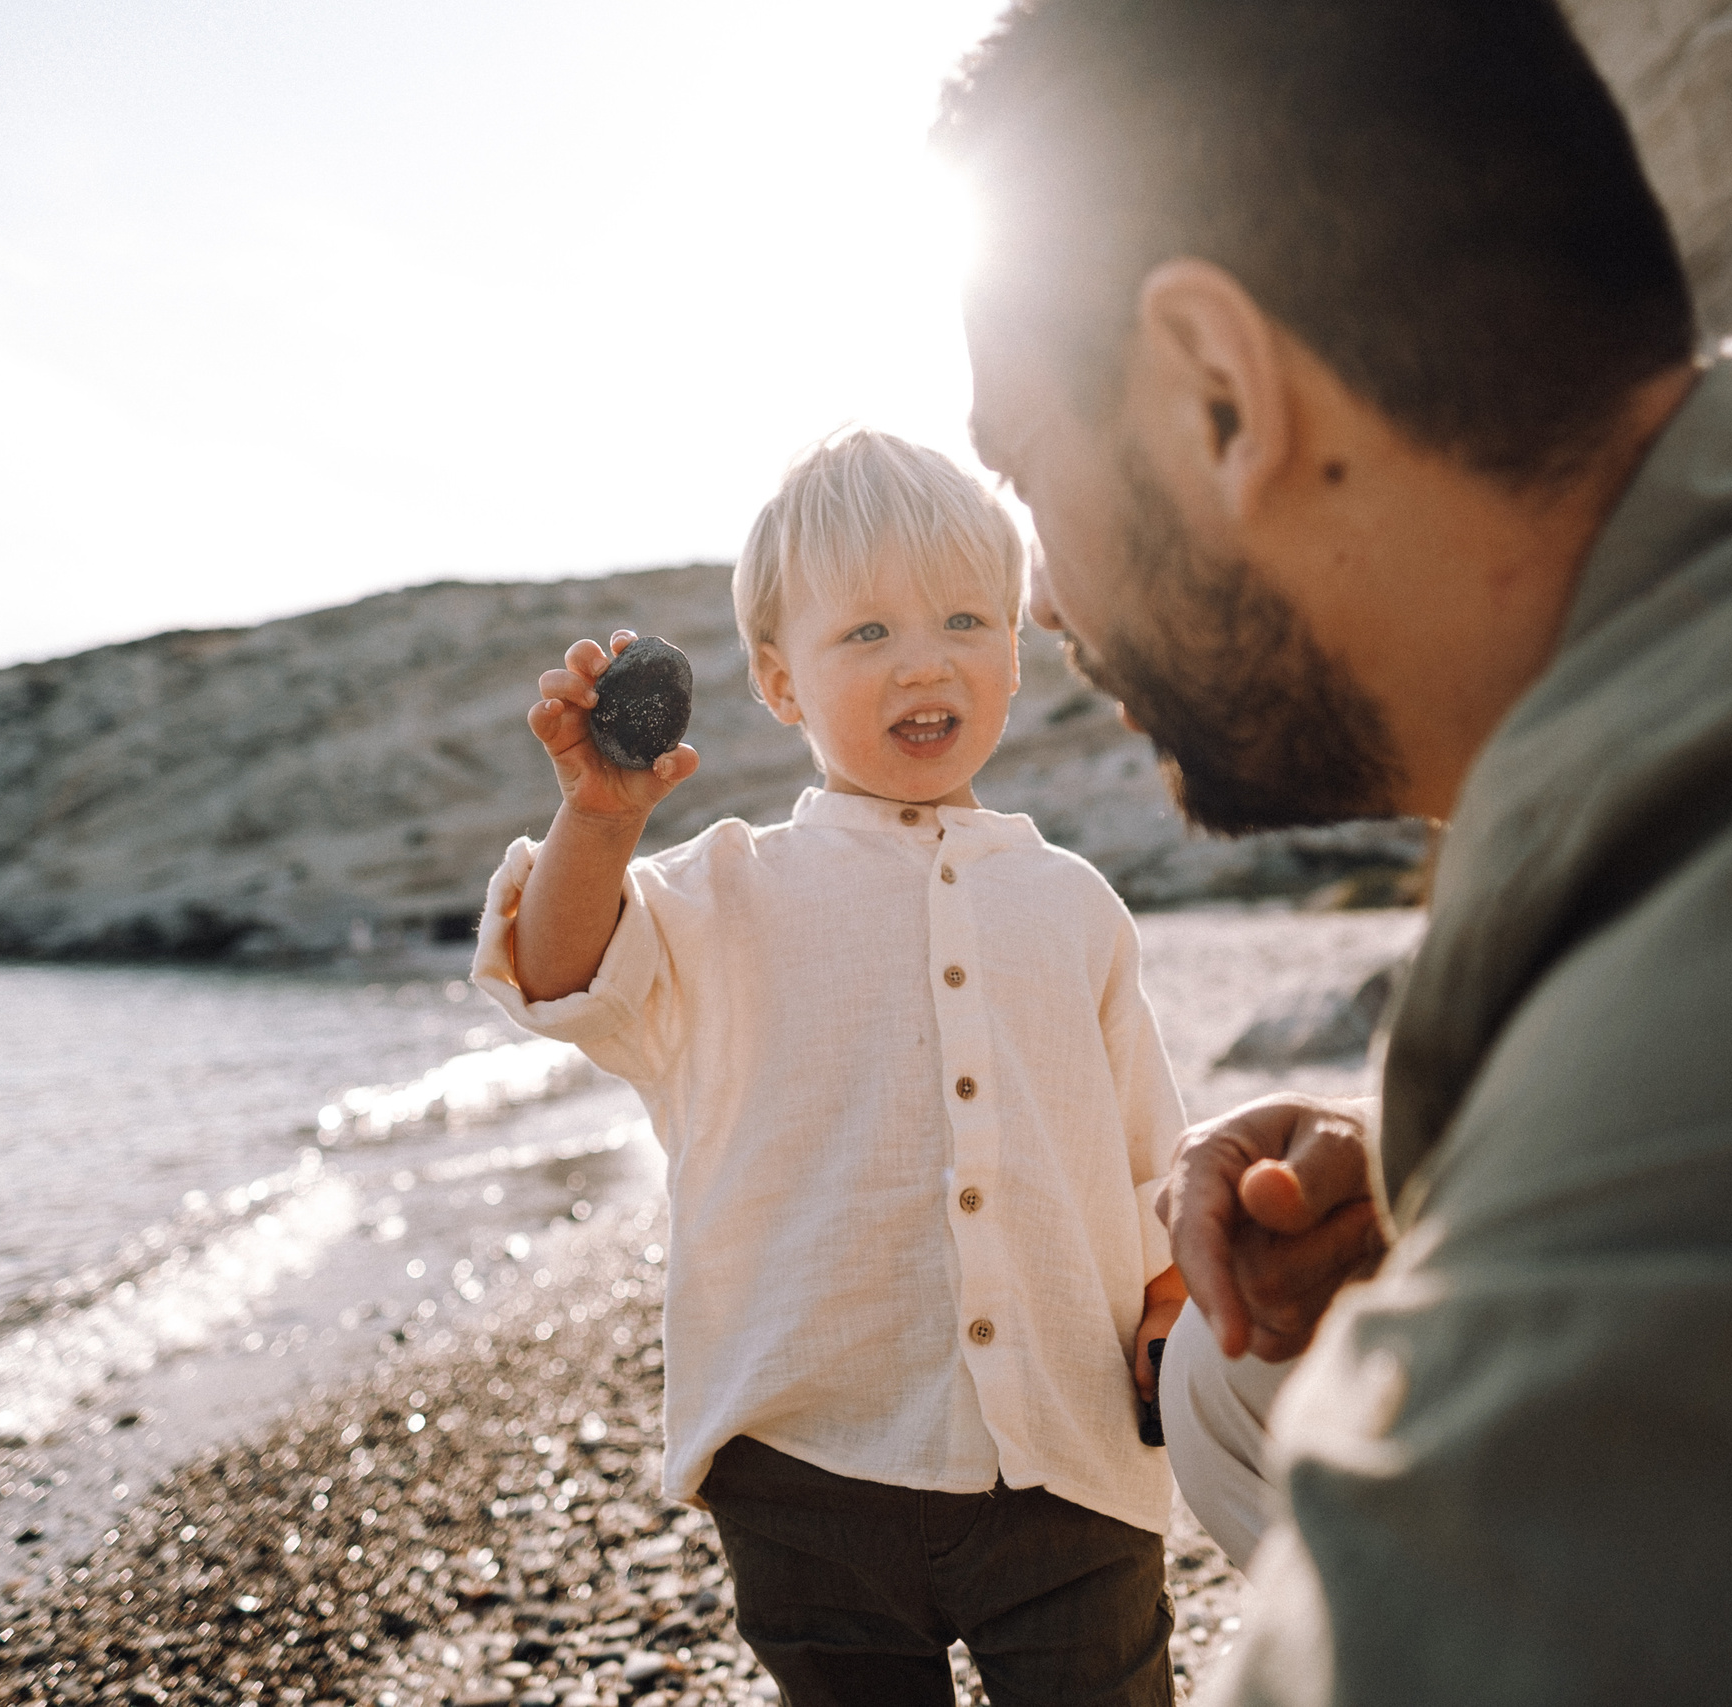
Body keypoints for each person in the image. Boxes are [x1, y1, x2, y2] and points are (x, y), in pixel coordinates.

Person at [934, 1, 1732, 1701]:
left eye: (1029, 467)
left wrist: (1569, 1177)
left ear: (1220, 396)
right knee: (1241, 1380)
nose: (1041, 593)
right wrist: (1442, 1188)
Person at [469, 429, 1192, 1707]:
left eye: (966, 617)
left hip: (1070, 1454)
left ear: (1014, 652)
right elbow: (562, 973)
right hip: (812, 1462)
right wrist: (597, 819)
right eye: (864, 633)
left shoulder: (1075, 905)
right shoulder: (720, 894)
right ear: (777, 680)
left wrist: (1168, 1303)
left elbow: (1148, 1154)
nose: (924, 658)